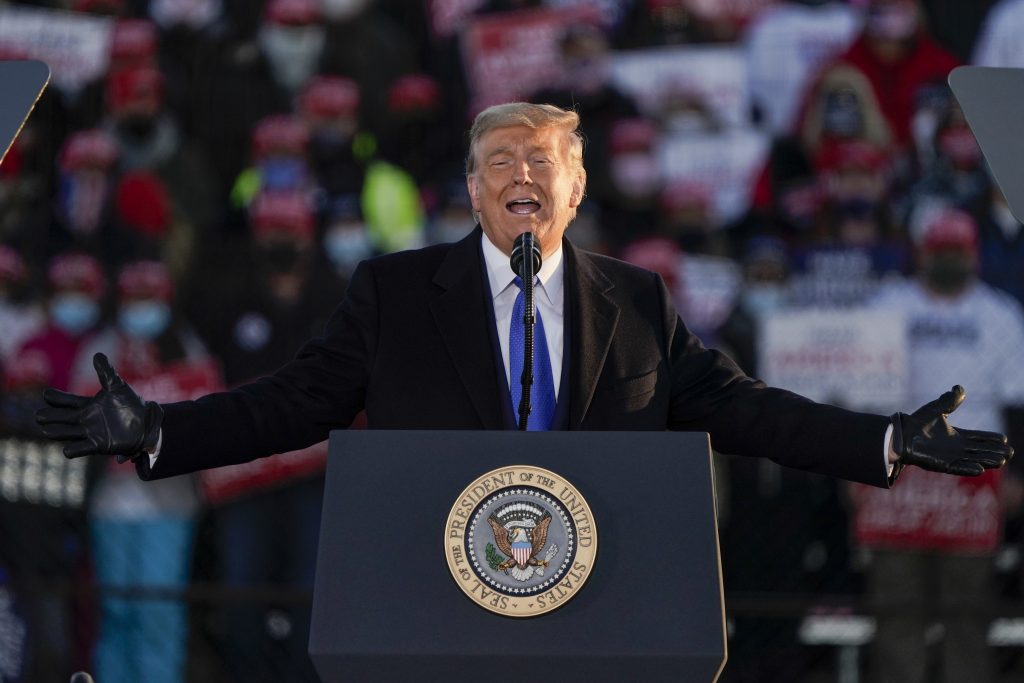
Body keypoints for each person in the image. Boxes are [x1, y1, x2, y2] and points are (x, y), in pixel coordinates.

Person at [35, 103, 1011, 510]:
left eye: (538, 161)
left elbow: (745, 408)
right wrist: (158, 429)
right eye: (496, 162)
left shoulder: (635, 300)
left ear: (575, 191)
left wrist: (879, 441)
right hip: (435, 593)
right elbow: (290, 403)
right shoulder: (396, 293)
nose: (518, 176)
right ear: (470, 189)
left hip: (599, 596)